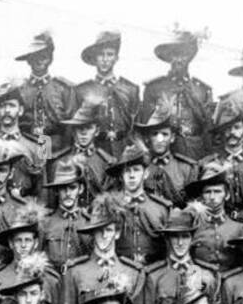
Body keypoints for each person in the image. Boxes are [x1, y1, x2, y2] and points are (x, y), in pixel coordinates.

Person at [57, 195, 151, 304]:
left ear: (117, 233)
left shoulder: (132, 272)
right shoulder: (75, 271)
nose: (103, 235)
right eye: (98, 230)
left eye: (108, 230)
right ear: (93, 234)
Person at [142, 207, 220, 304]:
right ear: (167, 239)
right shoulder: (154, 276)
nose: (180, 242)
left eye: (185, 236)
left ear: (192, 239)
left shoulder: (207, 274)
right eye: (174, 237)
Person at [141, 30, 213, 160]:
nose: (179, 59)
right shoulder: (155, 88)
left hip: (195, 152)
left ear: (190, 57)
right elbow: (146, 128)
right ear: (169, 57)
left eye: (183, 54)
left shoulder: (202, 90)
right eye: (174, 54)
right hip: (166, 152)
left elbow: (208, 131)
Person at [0, 208, 60, 304]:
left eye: (28, 240)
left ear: (36, 243)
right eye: (18, 240)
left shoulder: (51, 279)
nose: (24, 245)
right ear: (11, 244)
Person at [105, 142, 171, 266]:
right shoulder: (111, 206)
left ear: (145, 174)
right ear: (121, 176)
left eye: (136, 170)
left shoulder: (161, 208)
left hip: (153, 271)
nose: (131, 176)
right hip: (121, 271)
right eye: (127, 171)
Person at [73, 30, 140, 145]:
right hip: (95, 149)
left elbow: (137, 127)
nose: (105, 59)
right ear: (95, 58)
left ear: (116, 58)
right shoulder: (81, 90)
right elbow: (75, 128)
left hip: (124, 149)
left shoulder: (130, 89)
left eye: (110, 54)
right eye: (101, 54)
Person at [15, 31, 76, 152]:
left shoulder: (63, 89)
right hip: (27, 147)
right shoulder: (19, 91)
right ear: (28, 60)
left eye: (43, 56)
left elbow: (71, 124)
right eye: (34, 57)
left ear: (50, 59)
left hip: (58, 148)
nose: (39, 61)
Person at [182, 162, 243, 272]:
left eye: (217, 191)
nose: (212, 197)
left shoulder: (238, 227)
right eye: (207, 192)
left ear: (227, 195)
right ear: (201, 196)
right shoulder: (192, 226)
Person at [138, 105, 197, 208]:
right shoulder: (140, 167)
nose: (160, 139)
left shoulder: (186, 168)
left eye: (165, 134)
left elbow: (192, 207)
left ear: (172, 138)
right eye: (155, 134)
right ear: (147, 138)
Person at [39, 161, 91, 268]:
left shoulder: (89, 222)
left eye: (72, 188)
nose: (68, 193)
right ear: (56, 191)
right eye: (63, 188)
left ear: (80, 189)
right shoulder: (45, 223)